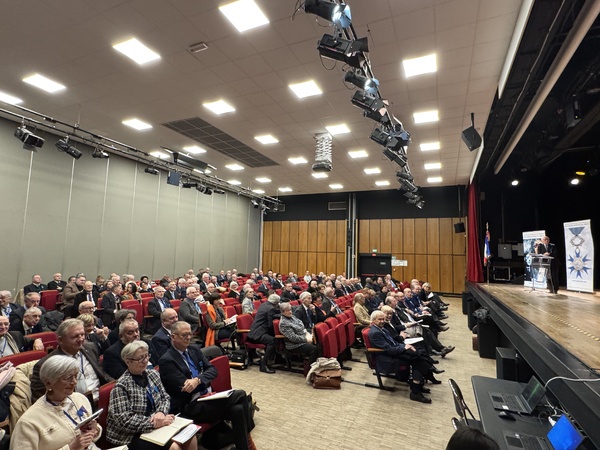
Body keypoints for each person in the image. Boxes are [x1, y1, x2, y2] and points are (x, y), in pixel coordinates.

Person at [158, 322, 256, 450]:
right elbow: (186, 389)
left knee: (237, 409)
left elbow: (212, 370)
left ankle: (243, 448)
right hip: (191, 405)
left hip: (208, 398)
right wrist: (202, 381)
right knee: (241, 394)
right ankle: (249, 442)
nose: (188, 337)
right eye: (184, 335)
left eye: (190, 334)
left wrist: (198, 380)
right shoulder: (167, 360)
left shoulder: (193, 349)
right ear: (173, 336)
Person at [107, 341, 197, 450]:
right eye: (140, 358)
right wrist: (154, 423)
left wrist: (161, 412)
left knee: (190, 434)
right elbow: (124, 420)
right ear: (128, 361)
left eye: (146, 356)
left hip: (157, 426)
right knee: (174, 447)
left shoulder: (152, 374)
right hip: (131, 436)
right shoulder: (121, 386)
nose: (145, 361)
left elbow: (165, 397)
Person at [10, 355, 102, 450]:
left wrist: (96, 430)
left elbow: (92, 435)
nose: (74, 382)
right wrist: (70, 448)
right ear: (49, 383)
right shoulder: (28, 422)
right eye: (68, 378)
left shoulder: (80, 399)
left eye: (75, 376)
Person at [31, 319, 113, 402]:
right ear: (60, 340)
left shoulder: (90, 347)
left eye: (82, 335)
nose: (81, 339)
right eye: (75, 336)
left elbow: (101, 373)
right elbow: (41, 400)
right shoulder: (44, 365)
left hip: (101, 400)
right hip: (71, 407)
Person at [368, 310, 436, 403]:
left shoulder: (382, 329)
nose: (383, 321)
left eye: (383, 319)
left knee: (420, 353)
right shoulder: (375, 333)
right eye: (379, 319)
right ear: (373, 321)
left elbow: (394, 343)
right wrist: (404, 348)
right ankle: (416, 389)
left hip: (394, 351)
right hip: (387, 358)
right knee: (418, 358)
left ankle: (417, 385)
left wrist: (405, 346)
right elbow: (389, 350)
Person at [247, 294, 280, 374]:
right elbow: (269, 325)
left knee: (274, 338)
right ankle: (264, 364)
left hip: (256, 330)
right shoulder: (271, 308)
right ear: (276, 303)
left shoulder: (264, 304)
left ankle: (276, 358)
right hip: (258, 333)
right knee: (272, 340)